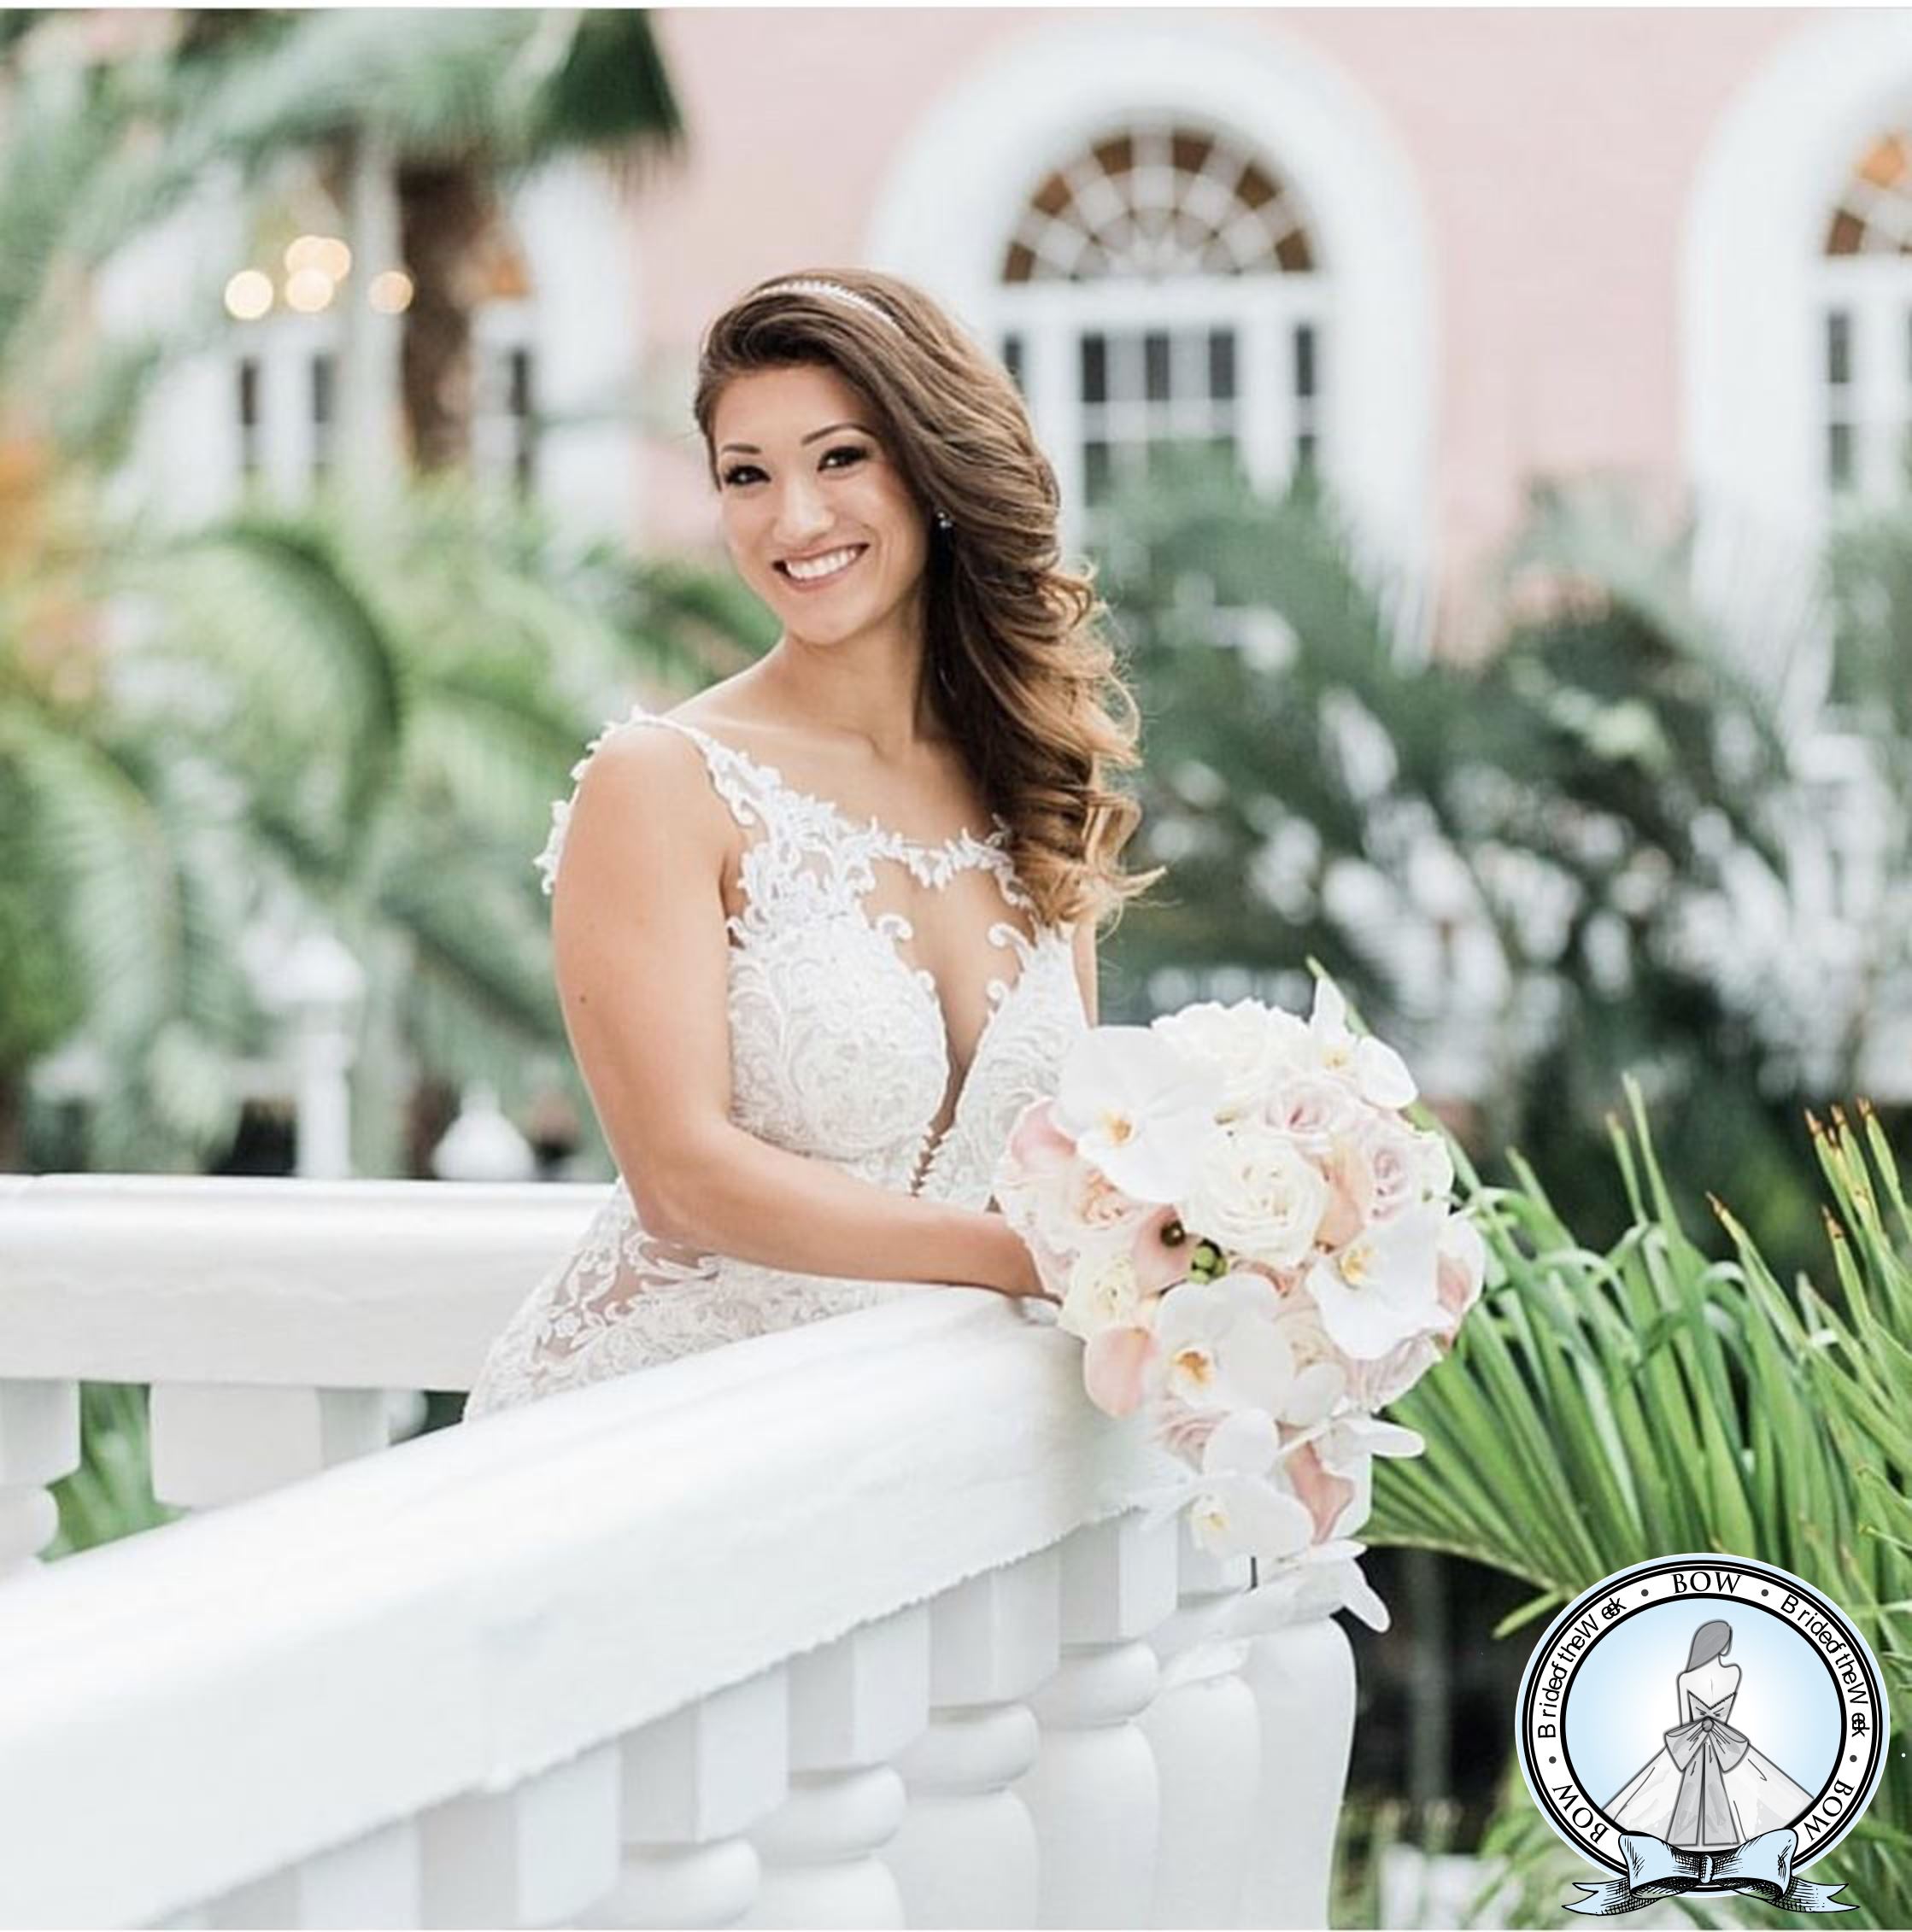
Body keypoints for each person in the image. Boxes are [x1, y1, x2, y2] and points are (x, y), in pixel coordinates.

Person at [463, 269, 1161, 1420]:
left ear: (931, 471)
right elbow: (680, 1177)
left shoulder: (1033, 776)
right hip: (647, 1428)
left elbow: (1061, 1133)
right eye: (748, 476)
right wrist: (1021, 1259)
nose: (793, 520)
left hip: (890, 1430)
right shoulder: (664, 783)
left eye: (839, 458)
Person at [1602, 1619, 1815, 1851]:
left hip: (1693, 1738)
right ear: (1721, 1643)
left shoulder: (1686, 1678)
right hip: (1725, 1742)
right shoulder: (1733, 1673)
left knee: (1664, 1790)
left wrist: (1689, 1745)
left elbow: (1686, 1720)